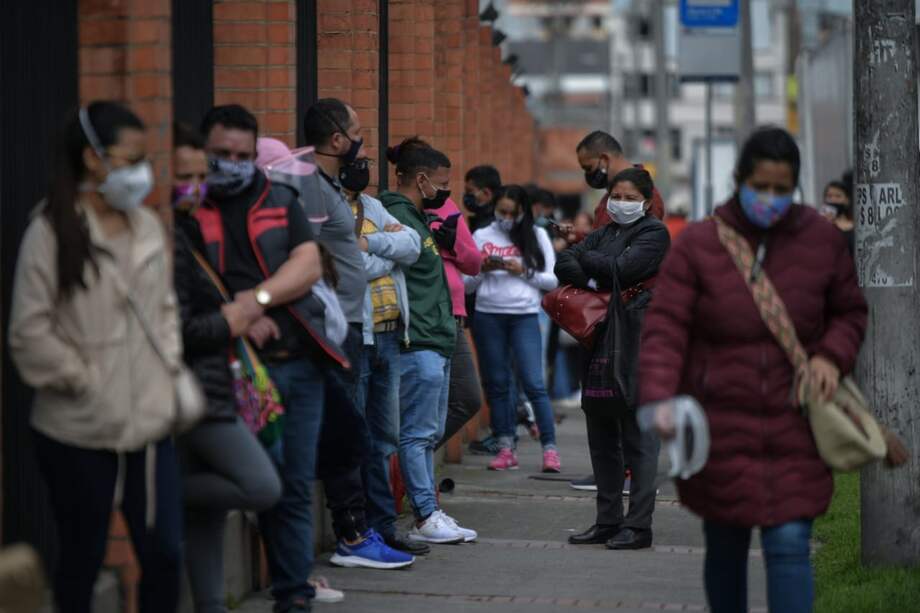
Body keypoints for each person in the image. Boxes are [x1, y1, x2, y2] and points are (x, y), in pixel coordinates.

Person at [640, 127, 867, 613]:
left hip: (796, 425)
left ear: (795, 186)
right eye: (760, 186)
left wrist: (830, 355)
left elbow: (850, 312)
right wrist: (659, 396)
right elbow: (666, 326)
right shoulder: (700, 245)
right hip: (721, 427)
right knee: (725, 545)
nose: (770, 198)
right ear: (739, 179)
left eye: (781, 189)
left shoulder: (822, 241)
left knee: (789, 544)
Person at [9, 101, 184, 613]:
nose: (140, 173)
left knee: (165, 553)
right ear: (93, 159)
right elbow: (29, 331)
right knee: (82, 556)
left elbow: (165, 310)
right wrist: (85, 379)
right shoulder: (50, 230)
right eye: (129, 160)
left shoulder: (148, 226)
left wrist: (166, 366)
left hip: (148, 423)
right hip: (77, 426)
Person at [196, 104, 348, 612]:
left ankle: (293, 594)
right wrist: (234, 319)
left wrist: (255, 300)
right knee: (262, 479)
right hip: (228, 366)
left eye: (242, 154)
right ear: (202, 152)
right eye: (221, 154)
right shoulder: (189, 212)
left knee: (296, 484)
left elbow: (307, 264)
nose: (232, 163)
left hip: (296, 362)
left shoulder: (279, 200)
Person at [255, 135, 414, 571]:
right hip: (295, 352)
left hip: (325, 342)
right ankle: (340, 542)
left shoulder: (318, 208)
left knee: (353, 440)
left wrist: (375, 251)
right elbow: (340, 266)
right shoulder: (269, 222)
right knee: (320, 451)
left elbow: (409, 248)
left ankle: (348, 541)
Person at [171, 124, 283, 613]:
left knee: (207, 520)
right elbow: (178, 330)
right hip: (194, 395)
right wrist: (231, 319)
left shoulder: (187, 230)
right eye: (184, 175)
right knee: (262, 485)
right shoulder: (170, 240)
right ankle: (159, 491)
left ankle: (211, 605)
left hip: (212, 385)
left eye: (200, 175)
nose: (196, 186)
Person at [556, 167, 670, 550]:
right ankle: (608, 520)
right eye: (614, 197)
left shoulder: (654, 233)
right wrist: (599, 273)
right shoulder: (604, 232)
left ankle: (639, 526)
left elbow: (625, 268)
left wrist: (594, 266)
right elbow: (564, 262)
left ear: (646, 200)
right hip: (600, 336)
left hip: (637, 337)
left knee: (638, 435)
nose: (620, 203)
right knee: (601, 429)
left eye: (628, 196)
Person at [380, 137, 475, 544]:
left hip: (434, 336)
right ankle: (424, 512)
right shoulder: (395, 217)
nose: (444, 192)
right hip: (417, 338)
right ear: (420, 180)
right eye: (440, 184)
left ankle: (428, 508)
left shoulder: (418, 220)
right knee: (417, 432)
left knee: (428, 430)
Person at [465, 185, 561, 472]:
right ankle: (506, 446)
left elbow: (553, 280)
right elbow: (465, 282)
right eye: (501, 211)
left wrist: (523, 271)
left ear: (522, 213)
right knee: (497, 383)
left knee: (533, 382)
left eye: (511, 213)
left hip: (524, 316)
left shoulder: (537, 235)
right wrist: (481, 269)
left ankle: (550, 448)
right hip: (488, 316)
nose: (505, 217)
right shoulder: (482, 235)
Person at [575, 130, 665, 235]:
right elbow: (605, 240)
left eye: (588, 168)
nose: (588, 174)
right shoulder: (610, 196)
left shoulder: (645, 195)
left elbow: (640, 246)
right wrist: (578, 237)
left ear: (604, 160)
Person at [463, 164, 502, 232]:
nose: (466, 195)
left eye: (470, 191)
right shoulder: (479, 221)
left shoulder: (494, 226)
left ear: (487, 193)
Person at [820, 179, 854, 253]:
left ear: (847, 200)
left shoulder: (855, 226)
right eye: (829, 196)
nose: (833, 200)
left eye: (838, 196)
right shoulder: (820, 223)